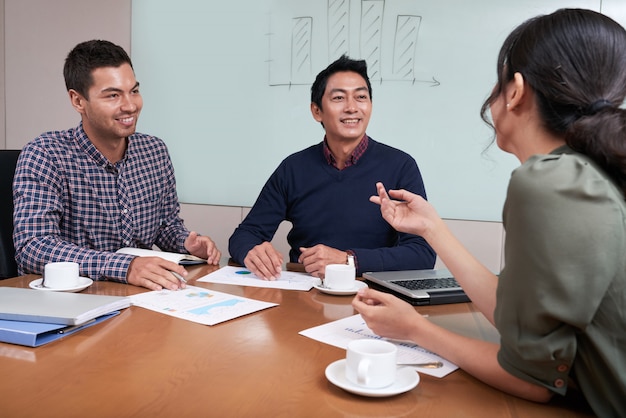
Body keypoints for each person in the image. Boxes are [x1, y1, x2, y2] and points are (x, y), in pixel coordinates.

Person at [353, 8, 626, 416]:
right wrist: (432, 228)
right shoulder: (588, 174)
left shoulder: (551, 182)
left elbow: (532, 380)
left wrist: (415, 330)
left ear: (515, 90)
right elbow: (523, 323)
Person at [13, 40, 221, 291]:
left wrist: (186, 244)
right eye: (113, 95)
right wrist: (125, 267)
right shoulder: (46, 153)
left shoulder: (154, 151)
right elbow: (34, 247)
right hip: (74, 301)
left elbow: (166, 227)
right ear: (78, 101)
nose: (130, 105)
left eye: (133, 91)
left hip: (142, 299)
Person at [228, 55, 435, 280]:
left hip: (375, 295)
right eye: (338, 98)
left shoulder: (401, 166)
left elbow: (422, 253)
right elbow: (245, 234)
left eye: (361, 97)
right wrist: (252, 251)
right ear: (317, 111)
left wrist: (348, 261)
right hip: (304, 295)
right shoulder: (293, 168)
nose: (352, 108)